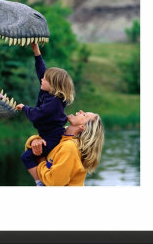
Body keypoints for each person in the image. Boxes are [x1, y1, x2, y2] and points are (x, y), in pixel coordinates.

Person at [15, 43, 75, 186]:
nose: (42, 79)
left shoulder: (54, 101)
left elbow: (38, 115)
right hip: (46, 134)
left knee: (27, 157)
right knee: (36, 156)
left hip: (53, 136)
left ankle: (40, 183)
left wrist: (24, 108)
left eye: (45, 79)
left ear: (54, 85)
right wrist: (37, 52)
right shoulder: (48, 91)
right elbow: (42, 71)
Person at [25, 110, 104, 186]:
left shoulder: (70, 147)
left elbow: (55, 183)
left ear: (82, 127)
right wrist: (34, 140)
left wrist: (41, 161)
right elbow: (32, 150)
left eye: (84, 115)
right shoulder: (60, 135)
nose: (80, 111)